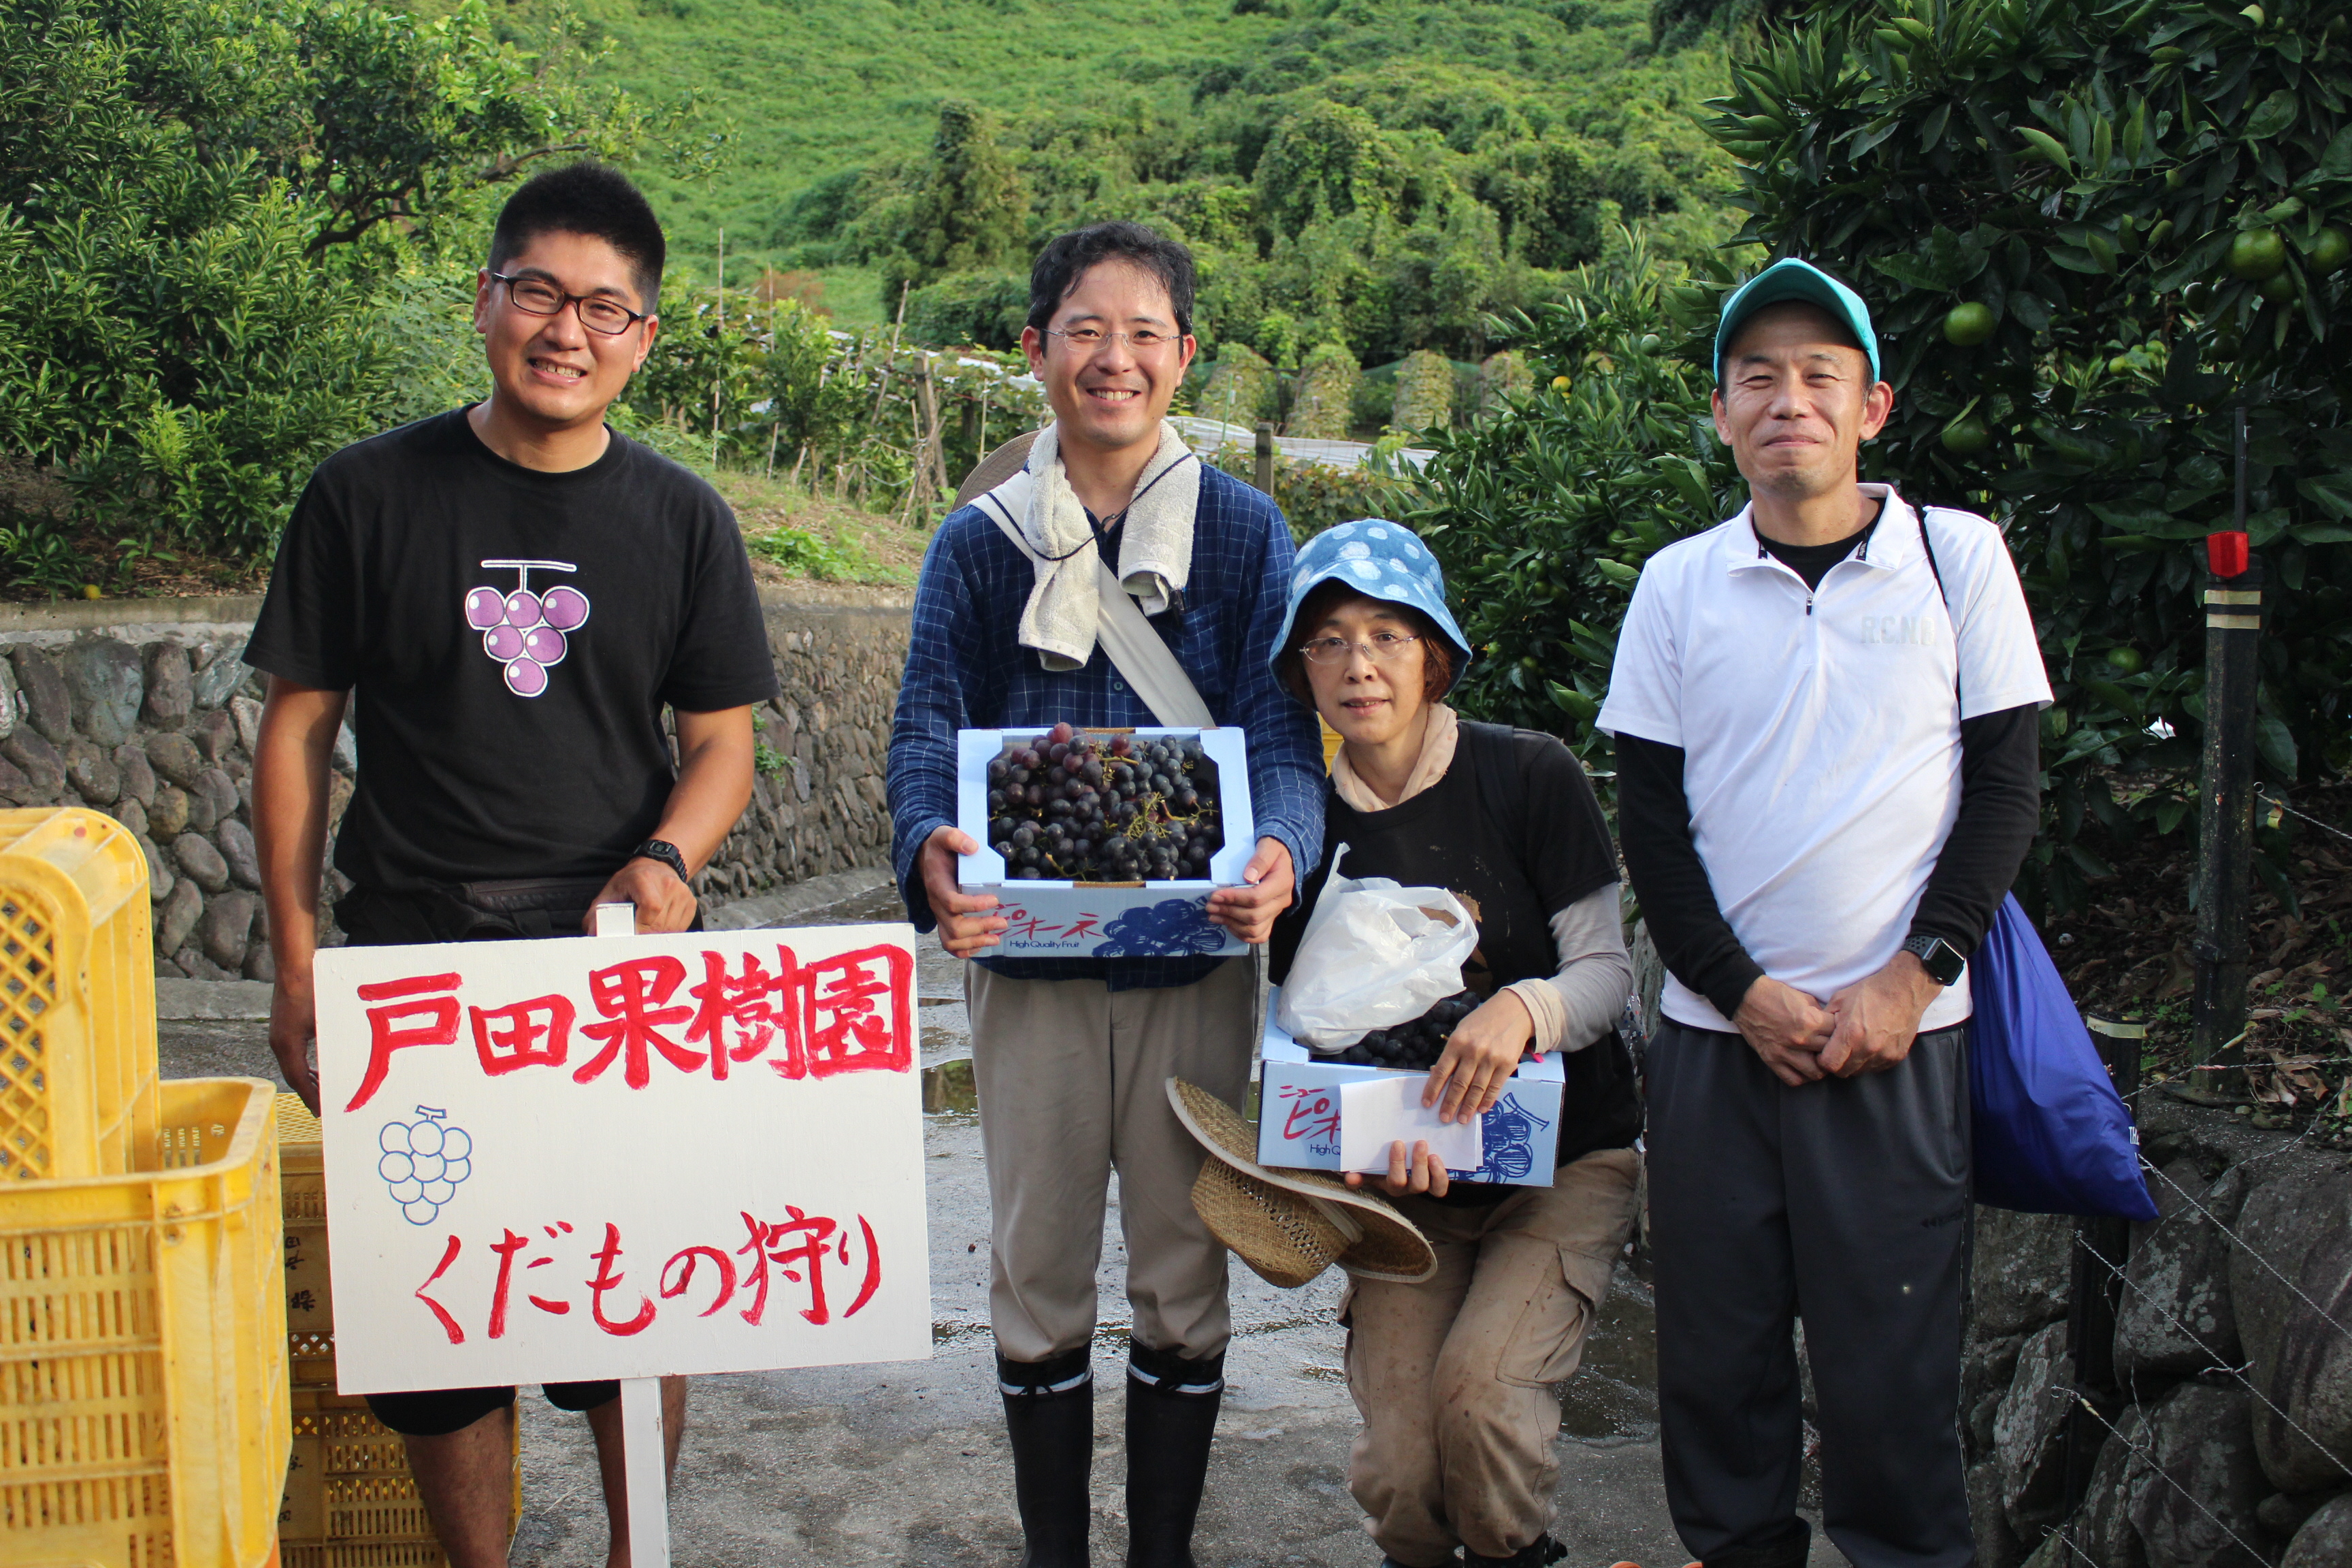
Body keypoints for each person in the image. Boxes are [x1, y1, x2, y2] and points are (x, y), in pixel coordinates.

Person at [247, 161, 777, 1568]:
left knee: (629, 1308)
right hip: (412, 957)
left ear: (644, 339)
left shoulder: (681, 521)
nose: (567, 329)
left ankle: (631, 1556)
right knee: (441, 1327)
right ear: (485, 297)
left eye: (606, 306)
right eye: (539, 291)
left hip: (616, 971)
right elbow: (300, 731)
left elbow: (720, 743)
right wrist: (303, 968)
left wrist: (669, 861)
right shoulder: (365, 495)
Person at [1598, 258, 2049, 1568]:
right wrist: (1740, 989)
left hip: (1902, 1042)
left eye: (1818, 376)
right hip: (1714, 1045)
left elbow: (2005, 795)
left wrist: (1911, 980)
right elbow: (1653, 826)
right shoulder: (1676, 583)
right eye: (1758, 378)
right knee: (1718, 1372)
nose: (1786, 399)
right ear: (1724, 415)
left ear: (1873, 407)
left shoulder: (1955, 559)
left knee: (1892, 1377)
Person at [886, 220, 1324, 1568]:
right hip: (1030, 970)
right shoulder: (980, 543)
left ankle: (1162, 1554)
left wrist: (1283, 854)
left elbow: (1283, 739)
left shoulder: (1249, 536)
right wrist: (929, 851)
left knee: (1184, 1275)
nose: (1114, 358)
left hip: (1197, 963)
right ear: (1036, 351)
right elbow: (924, 733)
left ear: (1183, 357)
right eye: (1085, 329)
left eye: (1145, 333)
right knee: (1037, 1271)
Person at [1266, 521, 1643, 1568]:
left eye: (1387, 634)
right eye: (1329, 641)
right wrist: (1331, 1143)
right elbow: (1299, 1035)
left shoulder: (1527, 775)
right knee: (1400, 1472)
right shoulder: (1299, 833)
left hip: (1562, 1166)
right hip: (1402, 1191)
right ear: (1302, 671)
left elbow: (1608, 977)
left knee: (1481, 1411)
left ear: (1435, 652)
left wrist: (1522, 1008)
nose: (1359, 665)